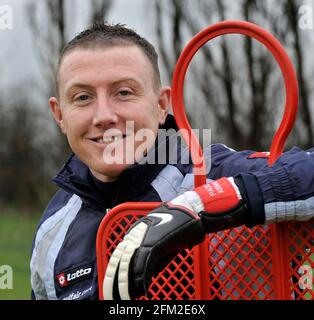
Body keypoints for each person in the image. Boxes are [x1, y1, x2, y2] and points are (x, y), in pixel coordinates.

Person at [30, 22, 314, 300]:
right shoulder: (53, 227)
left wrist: (204, 205)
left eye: (124, 92)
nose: (104, 115)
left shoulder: (212, 173)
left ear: (161, 105)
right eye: (82, 97)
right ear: (60, 115)